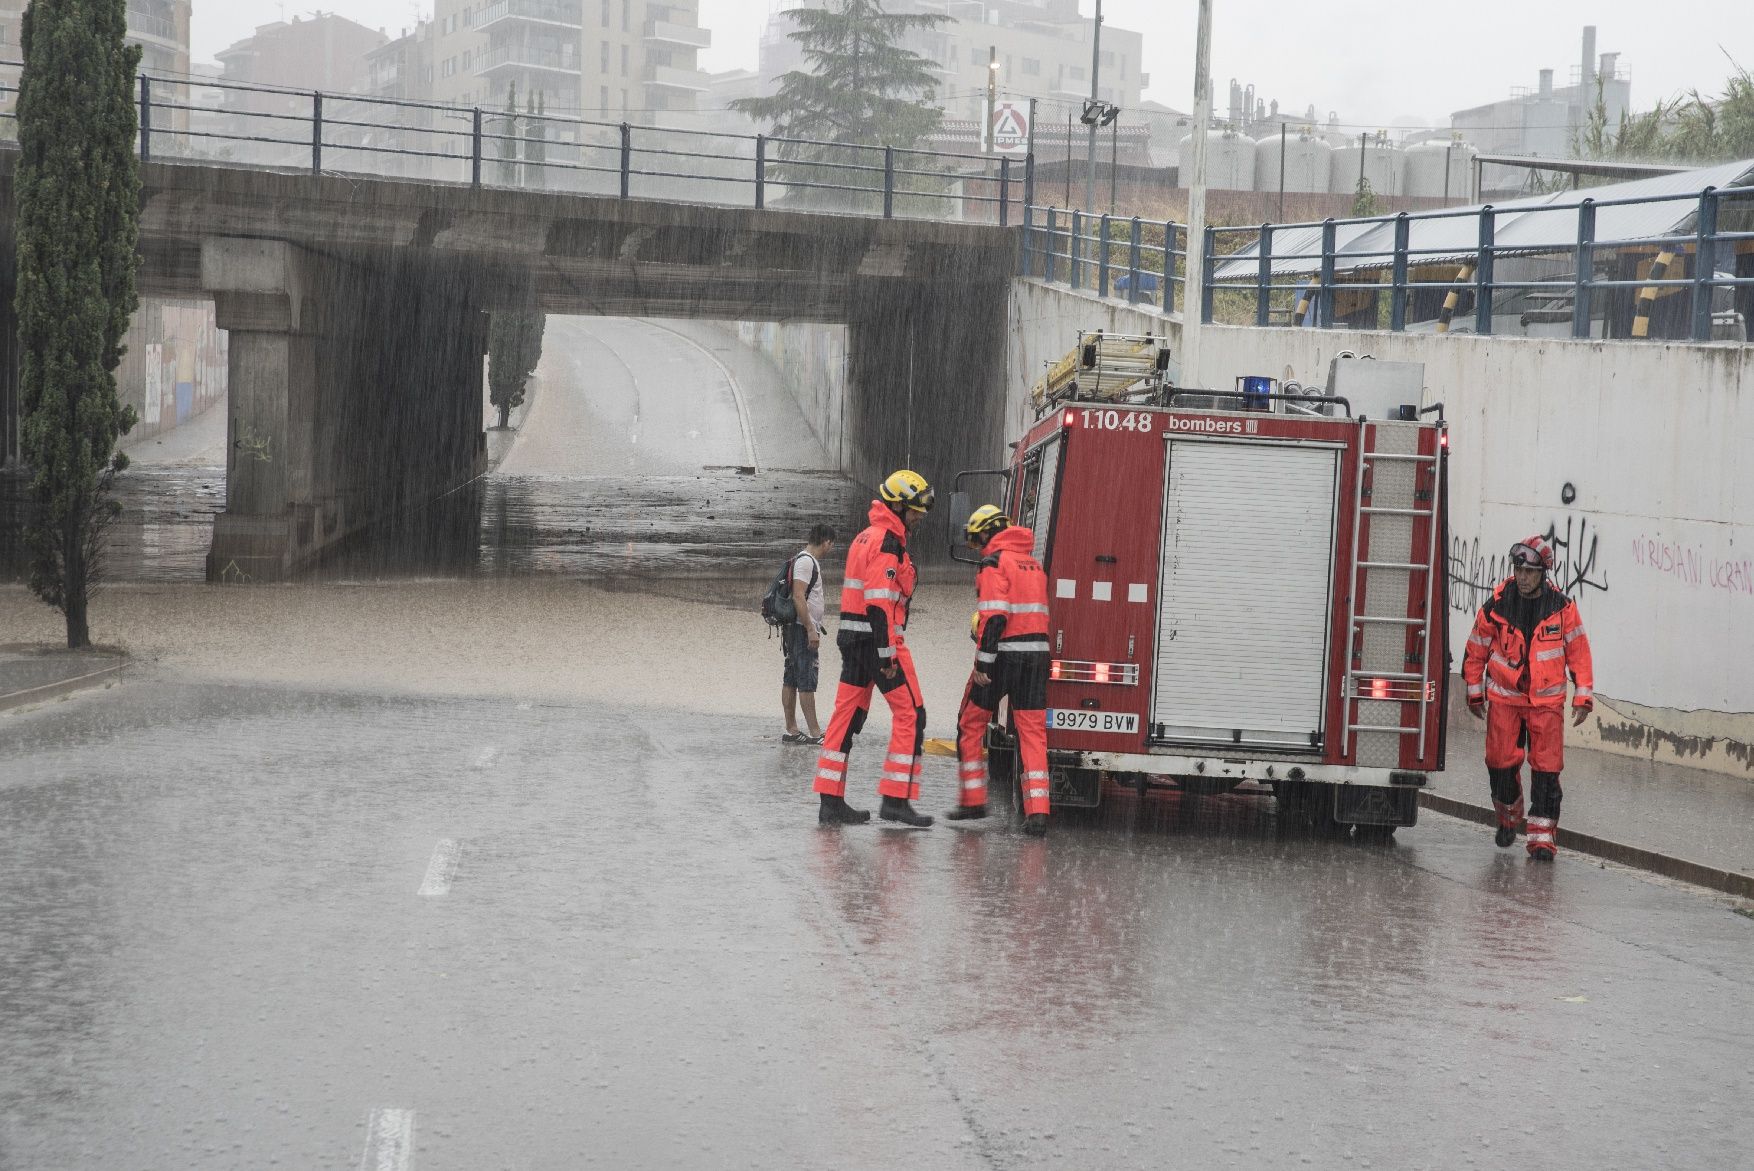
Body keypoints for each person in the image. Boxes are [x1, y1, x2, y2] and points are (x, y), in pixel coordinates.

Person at [813, 470, 935, 828]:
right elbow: (880, 603)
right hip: (879, 644)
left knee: (845, 717)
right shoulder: (887, 543)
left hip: (853, 641)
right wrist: (886, 655)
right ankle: (896, 800)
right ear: (897, 506)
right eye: (914, 511)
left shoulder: (865, 536)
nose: (918, 517)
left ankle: (830, 801)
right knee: (912, 715)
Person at [1462, 534, 1595, 861]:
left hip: (1545, 704)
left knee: (1547, 770)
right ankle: (1508, 817)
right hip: (1505, 700)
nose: (1522, 577)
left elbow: (1579, 653)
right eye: (1518, 570)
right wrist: (1474, 691)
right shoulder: (1497, 604)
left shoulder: (1562, 609)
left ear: (1543, 573)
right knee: (1499, 764)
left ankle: (1542, 838)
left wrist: (1583, 695)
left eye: (1529, 572)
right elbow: (1476, 647)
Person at [948, 506, 1052, 836]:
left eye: (978, 540)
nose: (978, 547)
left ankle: (973, 801)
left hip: (1003, 657)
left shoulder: (994, 563)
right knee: (1032, 731)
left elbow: (994, 617)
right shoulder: (1032, 563)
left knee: (970, 722)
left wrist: (983, 664)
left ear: (988, 533)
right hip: (1037, 657)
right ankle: (1037, 813)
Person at [781, 524, 836, 744]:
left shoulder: (801, 560)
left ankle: (792, 731)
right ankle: (815, 733)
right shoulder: (806, 562)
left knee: (792, 678)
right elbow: (798, 596)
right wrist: (811, 629)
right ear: (826, 542)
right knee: (805, 680)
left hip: (795, 628)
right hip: (801, 629)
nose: (830, 549)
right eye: (831, 545)